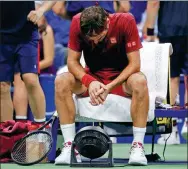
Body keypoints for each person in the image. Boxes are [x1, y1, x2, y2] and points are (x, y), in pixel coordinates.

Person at [54, 6, 149, 165]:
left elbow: (135, 64)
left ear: (107, 21)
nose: (95, 41)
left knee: (140, 81)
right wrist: (89, 82)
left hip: (121, 80)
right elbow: (72, 61)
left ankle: (137, 146)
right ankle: (70, 147)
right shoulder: (77, 22)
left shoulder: (126, 21)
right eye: (90, 39)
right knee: (61, 80)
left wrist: (109, 87)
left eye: (99, 36)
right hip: (93, 77)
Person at [0, 1, 55, 123]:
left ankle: (40, 129)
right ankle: (7, 134)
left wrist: (41, 10)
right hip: (2, 38)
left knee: (30, 78)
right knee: (2, 86)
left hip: (26, 34)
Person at [144, 1, 188, 144]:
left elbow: (154, 2)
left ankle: (171, 131)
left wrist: (149, 30)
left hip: (170, 30)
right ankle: (187, 123)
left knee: (171, 77)